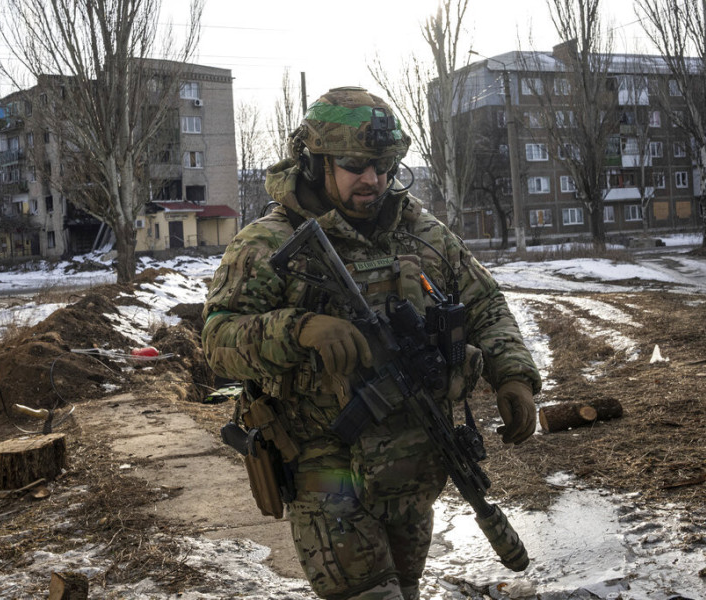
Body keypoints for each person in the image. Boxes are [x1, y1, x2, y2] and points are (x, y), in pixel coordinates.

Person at [201, 87, 541, 600]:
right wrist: (298, 328)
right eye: (356, 165)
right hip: (326, 471)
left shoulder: (421, 233)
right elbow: (217, 339)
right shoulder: (267, 242)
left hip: (414, 467)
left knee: (405, 590)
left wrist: (513, 375)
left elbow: (485, 306)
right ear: (316, 161)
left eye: (384, 166)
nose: (374, 180)